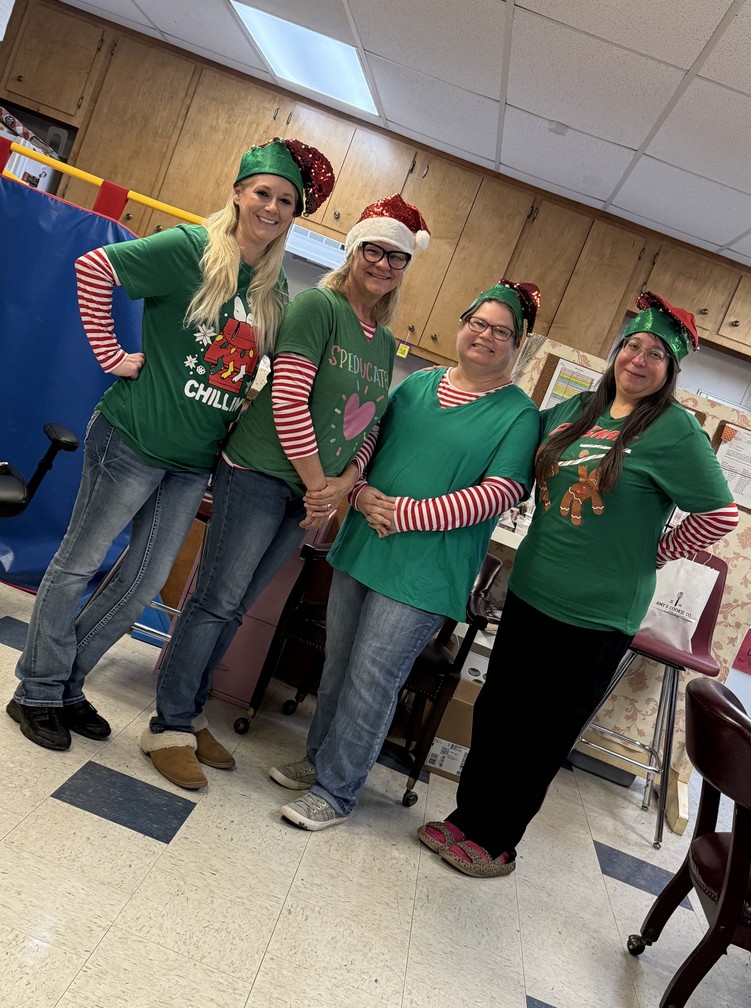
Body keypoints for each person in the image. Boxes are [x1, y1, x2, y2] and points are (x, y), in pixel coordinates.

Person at [7, 136, 335, 754]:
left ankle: (68, 683)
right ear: (239, 193)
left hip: (193, 462)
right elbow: (93, 268)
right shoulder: (190, 249)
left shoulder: (274, 291)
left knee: (143, 582)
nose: (271, 206)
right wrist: (109, 352)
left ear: (295, 214)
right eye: (262, 192)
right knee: (78, 560)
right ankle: (37, 689)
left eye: (285, 200)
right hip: (132, 438)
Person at [419, 291, 740, 877]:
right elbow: (517, 453)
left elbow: (719, 515)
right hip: (533, 589)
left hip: (597, 615)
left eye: (655, 355)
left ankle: (497, 841)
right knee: (498, 713)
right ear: (618, 351)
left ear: (669, 371)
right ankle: (466, 820)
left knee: (540, 733)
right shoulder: (576, 408)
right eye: (632, 346)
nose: (639, 361)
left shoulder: (673, 431)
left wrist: (662, 549)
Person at [140, 194, 432, 790]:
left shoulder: (382, 339)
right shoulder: (318, 308)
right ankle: (165, 724)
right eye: (373, 250)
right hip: (259, 472)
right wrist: (321, 487)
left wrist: (345, 484)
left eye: (395, 257)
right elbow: (287, 397)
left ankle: (189, 714)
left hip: (312, 492)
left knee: (238, 601)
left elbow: (370, 423)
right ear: (354, 250)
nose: (381, 264)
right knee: (216, 598)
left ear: (405, 267)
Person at [269, 279, 543, 830]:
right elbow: (367, 439)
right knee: (339, 661)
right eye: (478, 323)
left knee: (374, 678)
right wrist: (361, 489)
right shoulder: (419, 383)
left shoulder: (518, 414)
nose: (486, 336)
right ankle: (318, 759)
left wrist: (407, 514)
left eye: (502, 331)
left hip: (424, 571)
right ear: (463, 324)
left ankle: (336, 791)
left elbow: (503, 490)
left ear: (519, 345)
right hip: (365, 544)